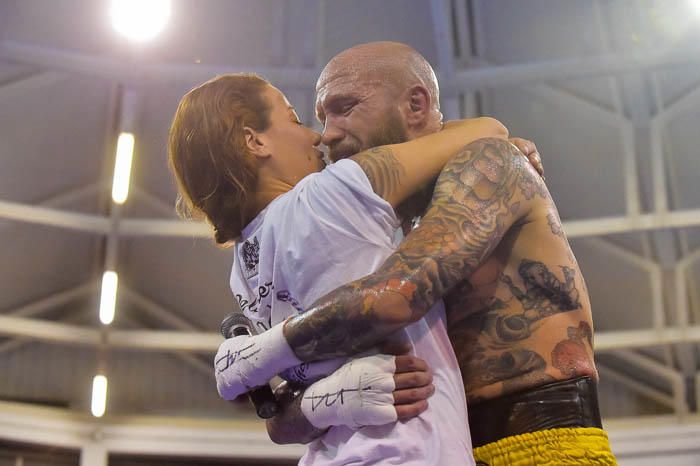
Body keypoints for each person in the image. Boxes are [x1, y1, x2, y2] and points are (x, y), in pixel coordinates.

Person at [215, 42, 618, 465]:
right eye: (322, 117)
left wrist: (263, 351)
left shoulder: (489, 164)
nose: (327, 133)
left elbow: (395, 296)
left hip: (537, 443)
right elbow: (280, 423)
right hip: (439, 446)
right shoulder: (369, 227)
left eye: (345, 107)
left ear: (415, 103)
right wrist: (326, 401)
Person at [168, 67, 533, 463]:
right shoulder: (332, 193)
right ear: (253, 141)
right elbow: (489, 129)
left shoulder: (243, 266)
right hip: (403, 453)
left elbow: (283, 412)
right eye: (293, 118)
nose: (317, 135)